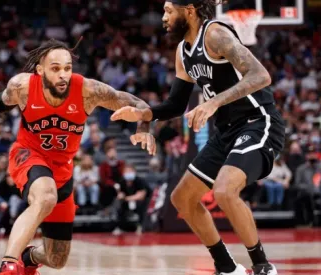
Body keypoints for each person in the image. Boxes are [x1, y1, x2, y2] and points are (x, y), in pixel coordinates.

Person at [0, 39, 156, 275]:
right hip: (29, 154)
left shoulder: (88, 91)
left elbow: (138, 104)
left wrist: (144, 127)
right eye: (55, 68)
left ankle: (28, 257)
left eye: (67, 68)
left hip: (63, 169)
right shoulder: (23, 86)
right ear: (40, 70)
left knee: (57, 258)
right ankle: (8, 265)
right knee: (46, 197)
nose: (63, 75)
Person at [111, 1, 285, 274]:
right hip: (226, 130)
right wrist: (144, 115)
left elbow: (261, 76)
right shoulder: (183, 51)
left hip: (258, 122)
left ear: (189, 10)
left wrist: (213, 103)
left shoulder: (215, 34)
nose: (163, 17)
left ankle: (263, 265)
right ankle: (227, 267)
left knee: (225, 191)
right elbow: (176, 105)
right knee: (182, 199)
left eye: (169, 10)